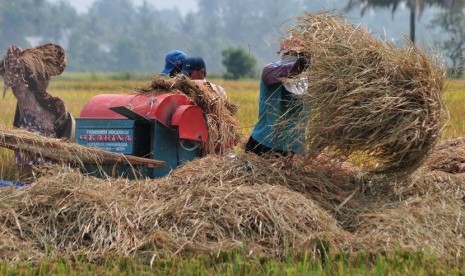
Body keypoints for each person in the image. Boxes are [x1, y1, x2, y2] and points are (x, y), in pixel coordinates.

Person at [245, 37, 310, 156]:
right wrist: (300, 65)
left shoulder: (309, 79)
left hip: (293, 148)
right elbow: (290, 70)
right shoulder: (271, 70)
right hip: (264, 144)